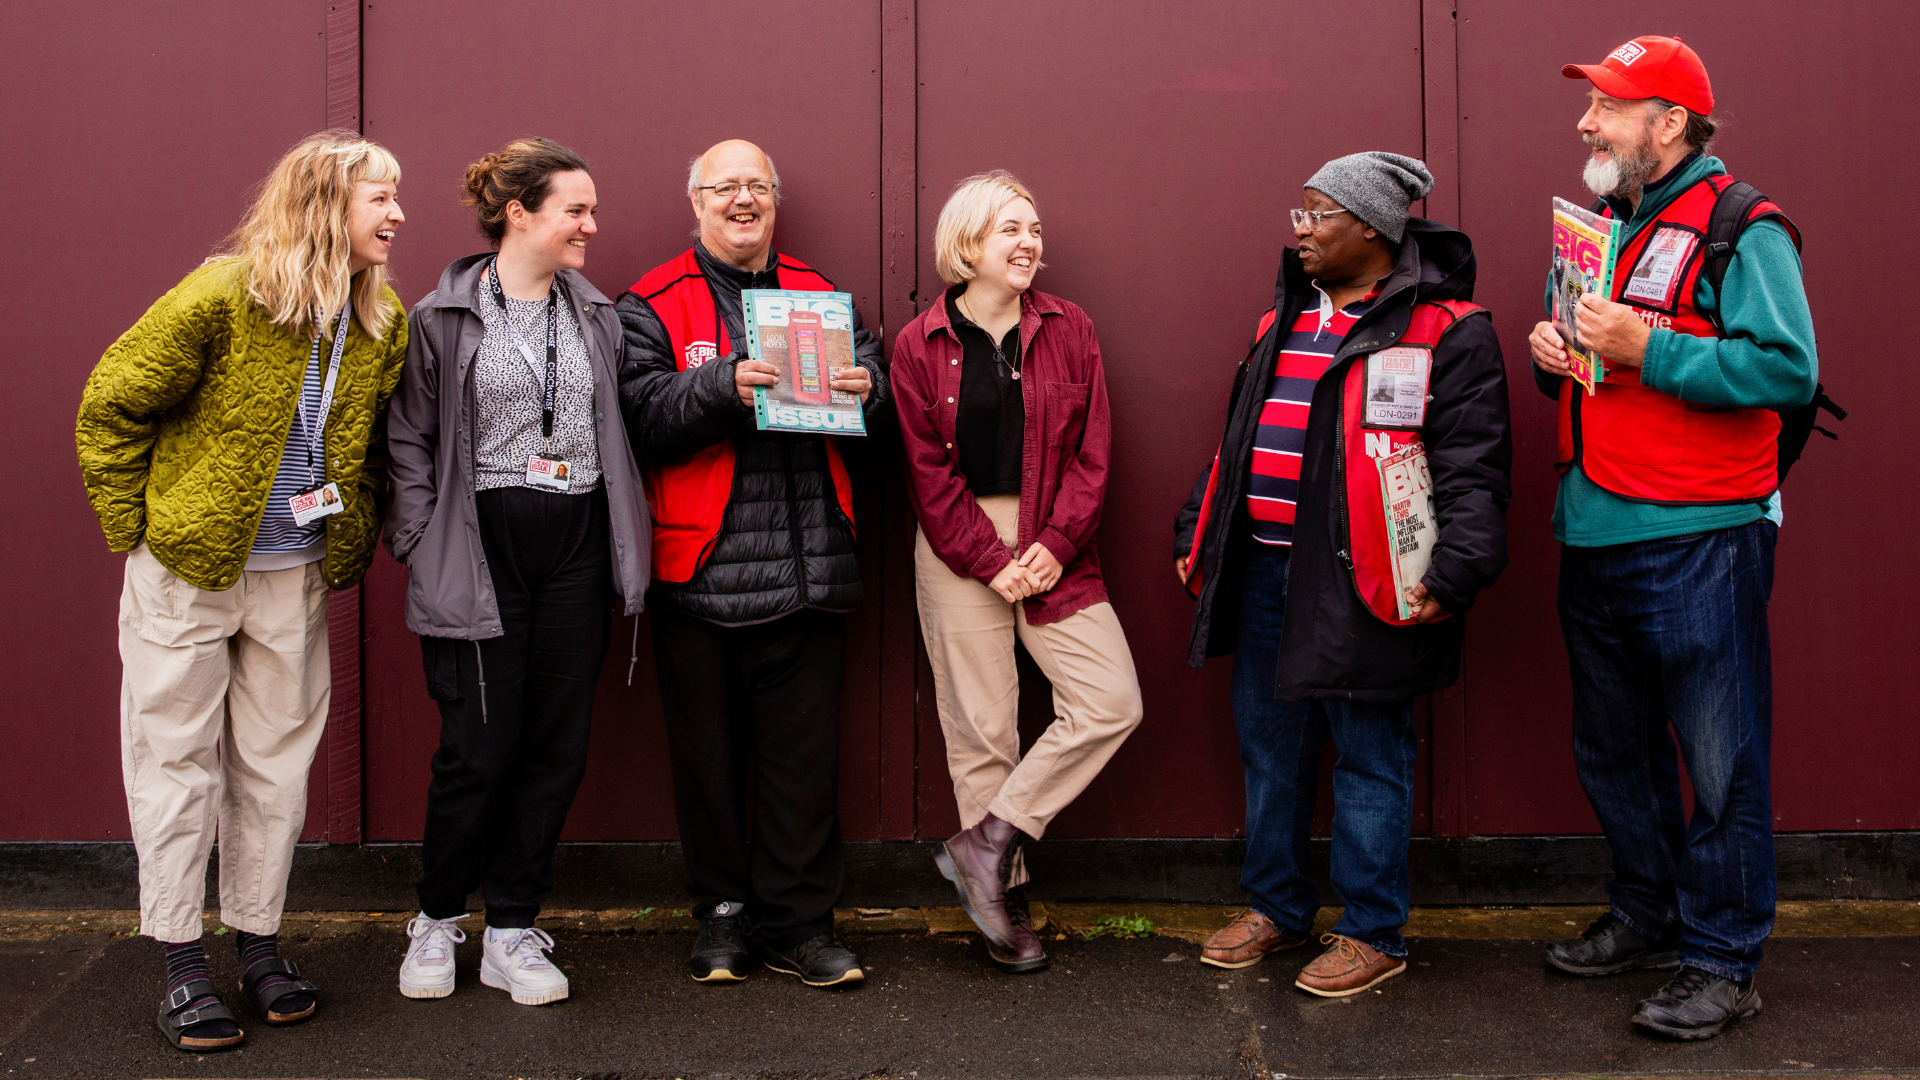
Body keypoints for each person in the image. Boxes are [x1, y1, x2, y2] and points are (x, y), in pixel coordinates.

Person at [75, 130, 409, 1051]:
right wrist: (138, 530)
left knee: (275, 770)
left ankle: (258, 946)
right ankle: (183, 963)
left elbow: (371, 448)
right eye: (380, 196)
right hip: (186, 573)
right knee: (175, 761)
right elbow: (110, 401)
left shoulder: (382, 316)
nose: (398, 213)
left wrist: (353, 528)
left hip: (292, 573)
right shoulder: (223, 294)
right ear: (322, 203)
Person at [1530, 37, 1815, 1040]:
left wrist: (1644, 348)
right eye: (1591, 104)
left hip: (1703, 535)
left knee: (1720, 759)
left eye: (1608, 106)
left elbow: (1785, 370)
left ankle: (1723, 960)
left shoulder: (1744, 227)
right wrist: (1553, 355)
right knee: (1615, 749)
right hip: (1597, 527)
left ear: (1671, 123)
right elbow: (1589, 368)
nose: (1586, 123)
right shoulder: (1604, 223)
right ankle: (1646, 912)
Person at [1173, 153, 1511, 997]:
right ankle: (1277, 909)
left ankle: (1374, 932)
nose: (1300, 228)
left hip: (1367, 583)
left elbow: (1474, 465)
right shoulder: (1276, 322)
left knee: (1371, 756)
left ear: (1370, 227)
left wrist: (1459, 569)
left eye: (1317, 212)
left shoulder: (1447, 328)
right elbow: (1238, 442)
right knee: (1270, 747)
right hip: (1262, 575)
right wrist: (1200, 531)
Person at [383, 138, 651, 1007]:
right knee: (478, 748)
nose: (591, 225)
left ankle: (510, 927)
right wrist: (422, 540)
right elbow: (408, 443)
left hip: (574, 539)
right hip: (479, 541)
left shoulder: (597, 313)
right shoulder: (441, 317)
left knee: (556, 746)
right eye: (575, 210)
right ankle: (434, 920)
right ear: (518, 213)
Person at [616, 139, 889, 988]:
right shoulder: (651, 301)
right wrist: (723, 387)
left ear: (775, 200)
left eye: (758, 186)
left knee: (801, 770)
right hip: (700, 575)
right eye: (726, 186)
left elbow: (877, 396)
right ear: (694, 202)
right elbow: (639, 416)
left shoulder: (821, 295)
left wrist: (868, 389)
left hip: (810, 575)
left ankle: (801, 927)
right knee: (705, 764)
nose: (744, 199)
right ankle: (723, 919)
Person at [892, 172, 1142, 974]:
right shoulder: (918, 344)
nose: (1029, 242)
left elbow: (1094, 455)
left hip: (1052, 539)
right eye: (1010, 228)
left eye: (1034, 228)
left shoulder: (1071, 329)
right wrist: (987, 560)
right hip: (960, 544)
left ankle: (988, 843)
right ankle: (1005, 901)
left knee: (1110, 701)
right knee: (982, 733)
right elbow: (928, 474)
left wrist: (1057, 545)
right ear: (966, 243)